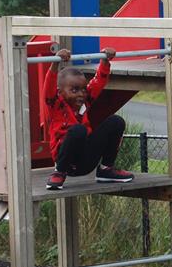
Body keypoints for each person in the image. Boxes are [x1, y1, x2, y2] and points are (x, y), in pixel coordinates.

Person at [43, 47, 134, 190]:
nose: (81, 94)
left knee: (116, 122)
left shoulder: (86, 101)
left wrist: (105, 61)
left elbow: (99, 82)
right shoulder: (55, 105)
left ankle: (105, 169)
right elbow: (48, 87)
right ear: (60, 92)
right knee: (78, 130)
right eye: (74, 90)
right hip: (67, 162)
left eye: (83, 89)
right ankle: (59, 172)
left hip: (86, 161)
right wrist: (55, 63)